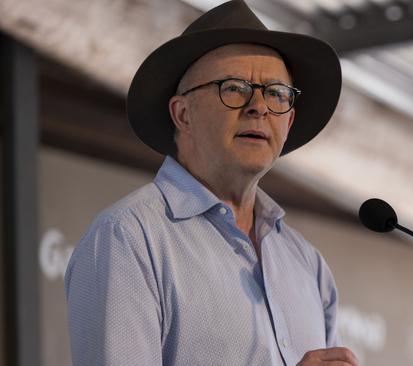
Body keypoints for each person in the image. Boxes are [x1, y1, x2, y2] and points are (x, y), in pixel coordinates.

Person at [64, 1, 358, 365]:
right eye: (233, 88)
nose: (259, 107)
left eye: (277, 94)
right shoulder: (128, 237)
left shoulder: (307, 263)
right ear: (182, 114)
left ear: (289, 121)